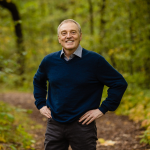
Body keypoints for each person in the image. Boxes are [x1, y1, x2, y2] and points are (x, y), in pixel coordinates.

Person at [33, 19, 128, 150]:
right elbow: (38, 81)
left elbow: (119, 83)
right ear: (59, 38)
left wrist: (103, 109)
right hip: (54, 124)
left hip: (83, 125)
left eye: (73, 32)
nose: (68, 36)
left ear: (80, 36)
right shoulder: (49, 61)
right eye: (64, 33)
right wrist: (40, 103)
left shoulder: (95, 61)